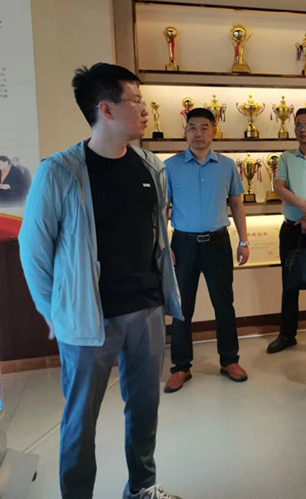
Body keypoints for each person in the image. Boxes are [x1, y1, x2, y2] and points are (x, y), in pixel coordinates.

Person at [18, 62, 183, 499]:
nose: (145, 110)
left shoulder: (151, 166)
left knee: (145, 410)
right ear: (106, 109)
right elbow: (33, 251)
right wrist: (52, 310)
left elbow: (156, 234)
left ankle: (142, 487)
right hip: (89, 318)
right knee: (80, 420)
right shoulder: (60, 172)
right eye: (137, 101)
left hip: (146, 309)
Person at [163, 107, 250, 392]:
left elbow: (236, 204)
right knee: (181, 308)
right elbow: (163, 209)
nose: (198, 133)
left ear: (214, 131)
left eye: (204, 127)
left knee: (224, 304)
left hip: (218, 243)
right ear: (184, 131)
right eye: (192, 127)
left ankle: (229, 360)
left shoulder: (226, 166)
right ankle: (180, 366)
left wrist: (244, 241)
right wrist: (164, 246)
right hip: (183, 245)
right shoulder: (170, 166)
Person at [267, 108, 306, 354]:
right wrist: (302, 207)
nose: (303, 130)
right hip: (291, 229)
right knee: (289, 283)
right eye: (298, 125)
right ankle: (287, 335)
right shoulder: (286, 157)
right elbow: (279, 188)